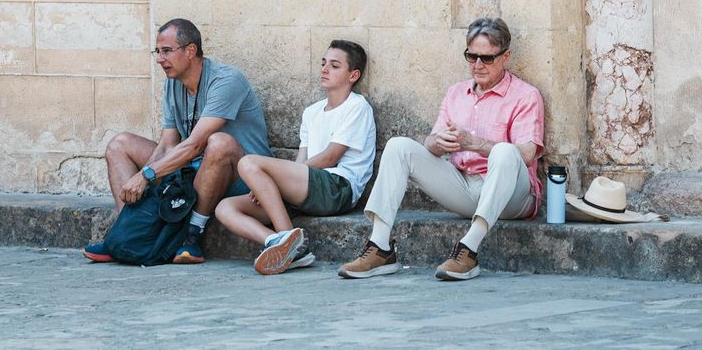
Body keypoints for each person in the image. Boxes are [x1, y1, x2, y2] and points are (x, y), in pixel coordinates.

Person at [337, 17, 543, 281]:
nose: (478, 65)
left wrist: (475, 144)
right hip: (464, 188)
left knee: (505, 152)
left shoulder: (525, 95)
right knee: (399, 146)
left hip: (513, 197)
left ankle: (468, 250)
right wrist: (436, 142)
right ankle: (380, 248)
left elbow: (526, 154)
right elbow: (432, 145)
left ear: (505, 57)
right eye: (471, 56)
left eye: (487, 58)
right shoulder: (455, 93)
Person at [83, 18, 272, 265]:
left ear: (190, 51)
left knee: (218, 142)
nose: (160, 59)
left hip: (242, 179)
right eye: (158, 52)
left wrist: (145, 176)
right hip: (196, 171)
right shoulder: (173, 85)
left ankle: (193, 238)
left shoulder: (226, 80)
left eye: (167, 51)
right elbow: (167, 145)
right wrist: (142, 178)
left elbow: (195, 144)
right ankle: (128, 234)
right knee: (120, 144)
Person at [215, 40, 377, 275]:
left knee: (248, 162)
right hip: (308, 188)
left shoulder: (357, 106)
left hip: (338, 187)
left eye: (334, 65)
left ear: (353, 75)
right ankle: (280, 243)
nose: (324, 69)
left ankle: (292, 244)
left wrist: (275, 177)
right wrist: (268, 184)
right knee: (225, 207)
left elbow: (330, 158)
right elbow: (303, 160)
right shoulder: (311, 112)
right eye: (323, 63)